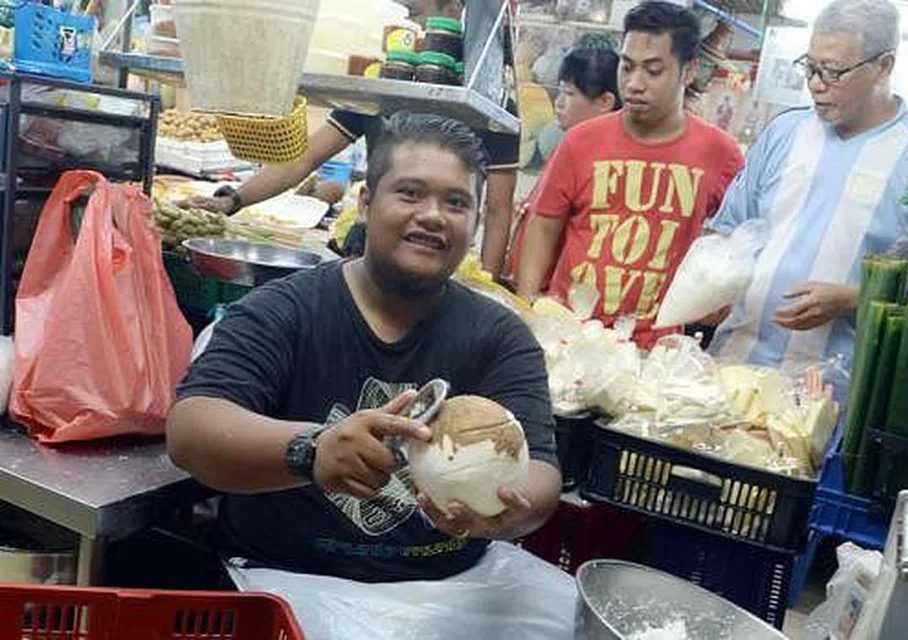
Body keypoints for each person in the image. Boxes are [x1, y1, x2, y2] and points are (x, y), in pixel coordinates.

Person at [167, 113, 561, 594]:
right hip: (286, 586)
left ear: (475, 223)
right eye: (410, 193)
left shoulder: (500, 335)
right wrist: (311, 451)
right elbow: (191, 428)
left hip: (446, 597)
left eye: (456, 202)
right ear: (367, 203)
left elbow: (541, 470)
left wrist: (502, 515)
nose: (433, 215)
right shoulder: (286, 310)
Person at [703, 0, 908, 388]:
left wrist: (854, 297)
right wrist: (710, 283)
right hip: (732, 369)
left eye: (834, 71)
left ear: (884, 66)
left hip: (831, 395)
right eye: (810, 67)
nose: (816, 84)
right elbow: (729, 232)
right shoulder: (782, 134)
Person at [186, 0, 520, 276]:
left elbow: (497, 210)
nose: (406, 29)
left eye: (415, 16)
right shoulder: (391, 77)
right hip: (371, 252)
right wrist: (234, 200)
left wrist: (484, 287)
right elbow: (306, 157)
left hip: (438, 258)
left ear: (454, 10)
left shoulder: (488, 96)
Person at [516, 1, 744, 348]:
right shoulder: (581, 141)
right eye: (627, 67)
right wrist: (530, 305)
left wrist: (725, 294)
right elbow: (544, 224)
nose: (634, 84)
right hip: (568, 339)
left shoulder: (721, 153)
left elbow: (736, 239)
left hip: (655, 353)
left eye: (653, 71)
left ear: (688, 71)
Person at [504, 45, 622, 282]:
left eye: (569, 94)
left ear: (605, 101)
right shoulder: (568, 148)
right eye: (559, 92)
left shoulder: (604, 163)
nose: (558, 103)